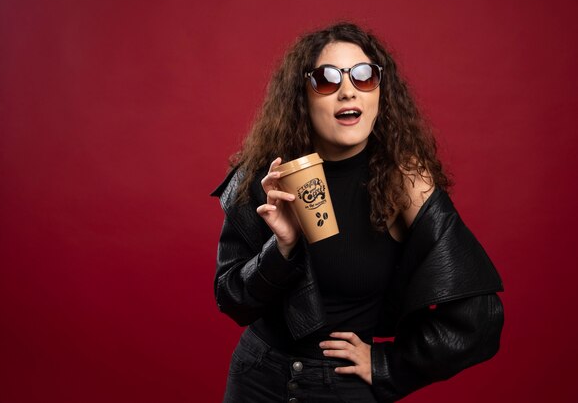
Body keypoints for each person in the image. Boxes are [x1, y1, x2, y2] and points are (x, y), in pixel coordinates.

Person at [211, 22, 504, 403]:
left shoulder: (406, 182)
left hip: (343, 389)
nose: (348, 90)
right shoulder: (266, 175)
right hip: (256, 379)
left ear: (381, 92)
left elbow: (479, 316)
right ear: (302, 95)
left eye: (364, 76)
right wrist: (282, 248)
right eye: (326, 79)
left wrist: (388, 364)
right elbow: (232, 301)